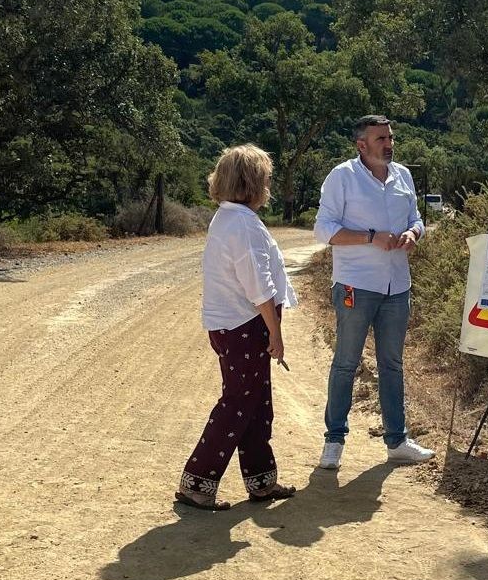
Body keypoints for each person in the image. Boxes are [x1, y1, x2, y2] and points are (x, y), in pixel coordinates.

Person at [175, 144, 297, 511]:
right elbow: (257, 285)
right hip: (244, 325)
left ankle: (261, 481)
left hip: (231, 324)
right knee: (237, 404)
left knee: (256, 403)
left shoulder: (229, 218)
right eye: (266, 177)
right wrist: (275, 333)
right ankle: (197, 482)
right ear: (252, 181)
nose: (269, 184)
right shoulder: (243, 224)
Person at [313, 115, 435, 470]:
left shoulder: (403, 176)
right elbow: (324, 231)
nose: (389, 144)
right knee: (346, 363)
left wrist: (414, 234)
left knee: (392, 365)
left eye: (391, 137)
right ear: (361, 144)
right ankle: (334, 441)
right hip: (355, 284)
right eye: (381, 138)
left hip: (397, 286)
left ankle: (397, 441)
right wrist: (371, 236)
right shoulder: (342, 177)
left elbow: (417, 218)